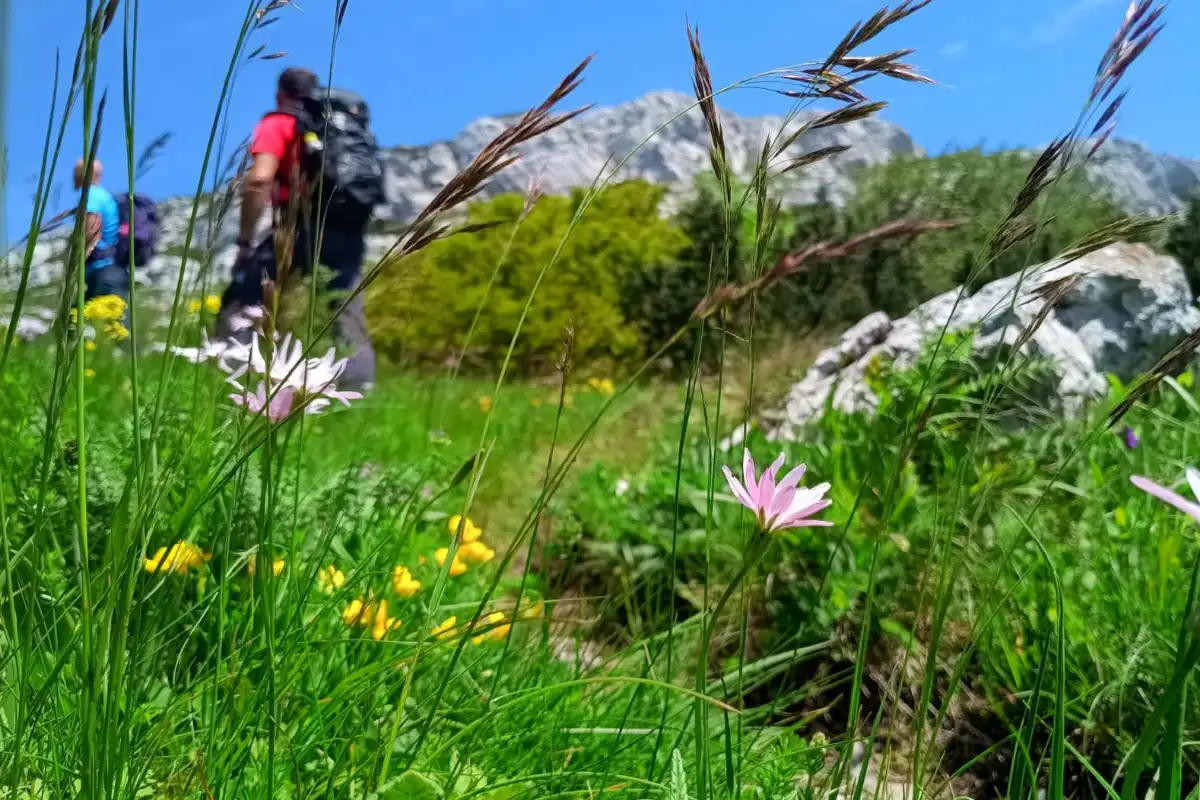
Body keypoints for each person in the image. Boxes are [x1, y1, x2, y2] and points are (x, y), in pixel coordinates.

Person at [217, 66, 377, 389]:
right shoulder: (335, 126)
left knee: (245, 299)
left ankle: (230, 373)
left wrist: (245, 242)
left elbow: (259, 179)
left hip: (298, 227)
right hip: (348, 229)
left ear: (280, 95)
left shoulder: (279, 122)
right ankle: (360, 388)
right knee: (345, 308)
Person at [76, 159, 128, 301]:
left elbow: (91, 230)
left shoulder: (91, 195)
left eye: (76, 171)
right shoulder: (104, 195)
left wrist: (74, 264)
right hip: (112, 270)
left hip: (103, 272)